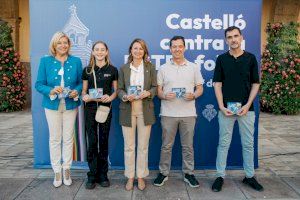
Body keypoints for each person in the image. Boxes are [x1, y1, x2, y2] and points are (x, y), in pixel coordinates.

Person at [211, 26, 263, 192]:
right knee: (223, 144)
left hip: (247, 110)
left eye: (236, 36)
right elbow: (217, 84)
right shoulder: (221, 59)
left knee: (248, 144)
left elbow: (256, 83)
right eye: (229, 37)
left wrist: (248, 105)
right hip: (226, 110)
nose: (233, 39)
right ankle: (220, 176)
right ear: (226, 40)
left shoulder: (250, 58)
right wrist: (221, 106)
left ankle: (249, 176)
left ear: (241, 38)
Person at [154, 36, 204, 188]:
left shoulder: (194, 67)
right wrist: (164, 95)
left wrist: (194, 95)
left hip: (188, 114)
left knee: (188, 146)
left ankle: (189, 173)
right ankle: (163, 173)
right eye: (174, 46)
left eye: (180, 46)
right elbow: (158, 91)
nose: (177, 49)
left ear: (184, 48)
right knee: (166, 146)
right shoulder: (163, 68)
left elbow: (200, 88)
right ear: (170, 49)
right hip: (168, 113)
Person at [35, 32, 82, 187]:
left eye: (65, 42)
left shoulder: (76, 61)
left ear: (69, 44)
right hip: (52, 105)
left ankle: (67, 169)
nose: (63, 45)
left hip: (70, 105)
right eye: (59, 43)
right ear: (54, 45)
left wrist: (77, 90)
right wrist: (50, 90)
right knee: (55, 139)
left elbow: (81, 82)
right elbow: (39, 84)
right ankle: (57, 172)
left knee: (68, 138)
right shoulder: (45, 61)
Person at [118, 38, 157, 191]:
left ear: (144, 52)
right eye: (135, 48)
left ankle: (140, 176)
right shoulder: (123, 68)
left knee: (143, 146)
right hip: (127, 109)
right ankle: (130, 176)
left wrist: (148, 92)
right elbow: (119, 89)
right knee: (129, 146)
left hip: (145, 109)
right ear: (131, 51)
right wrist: (125, 96)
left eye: (141, 49)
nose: (138, 51)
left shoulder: (150, 67)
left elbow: (155, 87)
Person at [81, 41, 118, 189]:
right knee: (92, 141)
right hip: (90, 108)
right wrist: (85, 96)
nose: (100, 52)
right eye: (97, 50)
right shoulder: (87, 70)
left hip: (105, 109)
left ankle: (103, 174)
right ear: (93, 52)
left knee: (103, 141)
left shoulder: (113, 69)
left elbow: (115, 91)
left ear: (107, 52)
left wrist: (111, 98)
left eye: (103, 50)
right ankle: (92, 174)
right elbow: (84, 91)